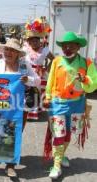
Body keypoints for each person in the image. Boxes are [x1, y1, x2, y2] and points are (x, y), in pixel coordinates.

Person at [43, 32, 97, 179]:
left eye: (71, 45)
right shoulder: (57, 61)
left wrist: (85, 79)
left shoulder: (87, 63)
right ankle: (56, 165)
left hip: (77, 105)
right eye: (65, 45)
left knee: (68, 132)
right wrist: (47, 96)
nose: (67, 48)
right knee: (58, 133)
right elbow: (50, 80)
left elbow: (93, 84)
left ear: (78, 47)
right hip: (58, 104)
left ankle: (61, 156)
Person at [0, 38, 41, 177]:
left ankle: (10, 165)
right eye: (7, 49)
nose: (9, 52)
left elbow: (38, 80)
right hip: (0, 106)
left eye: (12, 50)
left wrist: (28, 80)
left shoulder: (24, 65)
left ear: (18, 53)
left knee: (15, 133)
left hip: (18, 107)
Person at [23, 17, 54, 120]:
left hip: (40, 73)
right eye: (32, 40)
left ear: (39, 40)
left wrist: (46, 68)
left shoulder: (44, 50)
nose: (34, 42)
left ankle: (36, 111)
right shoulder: (25, 49)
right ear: (29, 41)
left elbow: (53, 59)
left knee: (38, 92)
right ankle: (28, 111)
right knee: (28, 91)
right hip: (28, 72)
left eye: (36, 40)